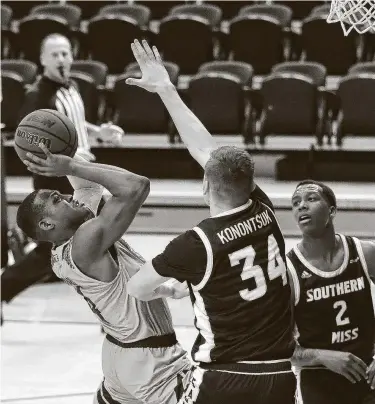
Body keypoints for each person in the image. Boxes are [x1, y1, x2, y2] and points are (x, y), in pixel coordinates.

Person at [127, 40, 296, 404]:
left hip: (223, 377)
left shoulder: (195, 243)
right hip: (282, 375)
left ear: (205, 183)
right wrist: (167, 91)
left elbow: (138, 288)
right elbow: (206, 150)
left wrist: (170, 288)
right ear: (250, 183)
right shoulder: (263, 210)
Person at [17, 145, 191, 403]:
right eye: (57, 200)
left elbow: (88, 189)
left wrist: (61, 152)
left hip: (119, 354)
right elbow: (137, 186)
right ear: (47, 224)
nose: (67, 196)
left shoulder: (65, 245)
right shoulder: (84, 242)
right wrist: (71, 167)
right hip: (150, 361)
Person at [1, 33, 122, 308]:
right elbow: (28, 137)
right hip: (57, 180)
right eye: (55, 54)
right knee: (90, 234)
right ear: (42, 60)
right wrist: (67, 156)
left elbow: (70, 125)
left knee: (98, 233)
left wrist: (97, 131)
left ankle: (113, 301)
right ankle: (115, 304)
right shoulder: (38, 95)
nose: (62, 59)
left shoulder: (73, 86)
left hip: (81, 176)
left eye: (65, 53)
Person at [287, 180, 375, 404]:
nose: (302, 206)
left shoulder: (365, 253)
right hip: (318, 381)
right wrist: (321, 356)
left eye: (311, 199)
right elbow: (277, 347)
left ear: (332, 210)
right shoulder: (288, 271)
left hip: (369, 373)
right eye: (296, 203)